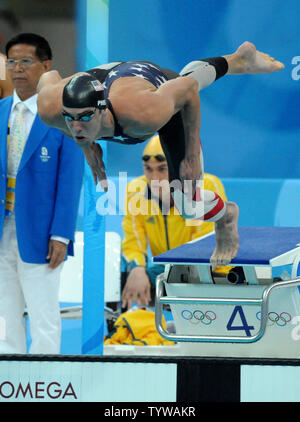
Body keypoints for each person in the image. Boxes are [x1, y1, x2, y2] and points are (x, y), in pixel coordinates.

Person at [36, 41, 284, 269]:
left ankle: (226, 216)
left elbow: (189, 90)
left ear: (101, 111)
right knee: (75, 119)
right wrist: (86, 146)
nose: (76, 126)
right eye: (69, 118)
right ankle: (241, 57)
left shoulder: (144, 113)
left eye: (85, 117)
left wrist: (191, 153)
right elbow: (49, 76)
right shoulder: (51, 109)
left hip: (152, 89)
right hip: (104, 76)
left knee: (189, 205)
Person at [0, 33, 84, 354]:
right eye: (11, 61)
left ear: (46, 65)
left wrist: (61, 234)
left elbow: (70, 178)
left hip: (41, 232)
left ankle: (45, 380)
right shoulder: (0, 111)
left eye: (25, 61)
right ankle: (8, 374)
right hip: (2, 227)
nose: (17, 68)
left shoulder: (63, 114)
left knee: (43, 312)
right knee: (4, 311)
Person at [121, 135, 229, 309]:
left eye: (162, 169)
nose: (154, 178)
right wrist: (137, 268)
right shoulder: (136, 191)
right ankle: (125, 330)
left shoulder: (206, 186)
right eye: (148, 169)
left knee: (151, 279)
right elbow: (133, 242)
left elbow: (202, 251)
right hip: (165, 273)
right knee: (119, 279)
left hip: (212, 276)